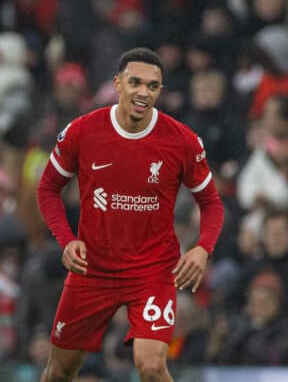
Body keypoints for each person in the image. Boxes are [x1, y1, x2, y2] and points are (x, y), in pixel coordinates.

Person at [36, 47, 224, 382]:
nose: (143, 92)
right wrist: (66, 241)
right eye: (135, 82)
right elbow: (47, 189)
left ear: (160, 92)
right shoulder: (83, 131)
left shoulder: (182, 141)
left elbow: (212, 203)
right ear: (118, 84)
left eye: (152, 86)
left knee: (151, 367)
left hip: (151, 271)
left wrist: (202, 248)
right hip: (92, 270)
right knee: (60, 372)